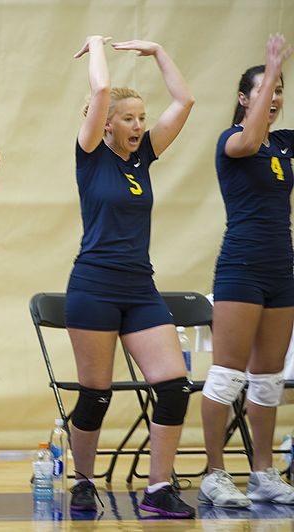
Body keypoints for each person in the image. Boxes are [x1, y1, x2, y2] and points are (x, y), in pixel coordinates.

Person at [64, 35, 195, 517]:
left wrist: (160, 51)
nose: (139, 125)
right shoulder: (91, 153)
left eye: (142, 118)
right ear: (107, 124)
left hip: (140, 287)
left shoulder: (144, 157)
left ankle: (158, 490)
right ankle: (81, 481)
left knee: (173, 385)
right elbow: (99, 93)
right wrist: (97, 43)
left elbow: (185, 101)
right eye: (129, 118)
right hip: (93, 287)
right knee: (95, 394)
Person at [198, 33, 294, 508]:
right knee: (227, 376)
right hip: (241, 268)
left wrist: (274, 76)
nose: (275, 97)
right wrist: (273, 66)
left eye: (279, 91)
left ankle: (263, 472)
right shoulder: (234, 140)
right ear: (243, 99)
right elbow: (251, 137)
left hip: (282, 269)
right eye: (264, 90)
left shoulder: (284, 145)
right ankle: (214, 473)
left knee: (269, 378)